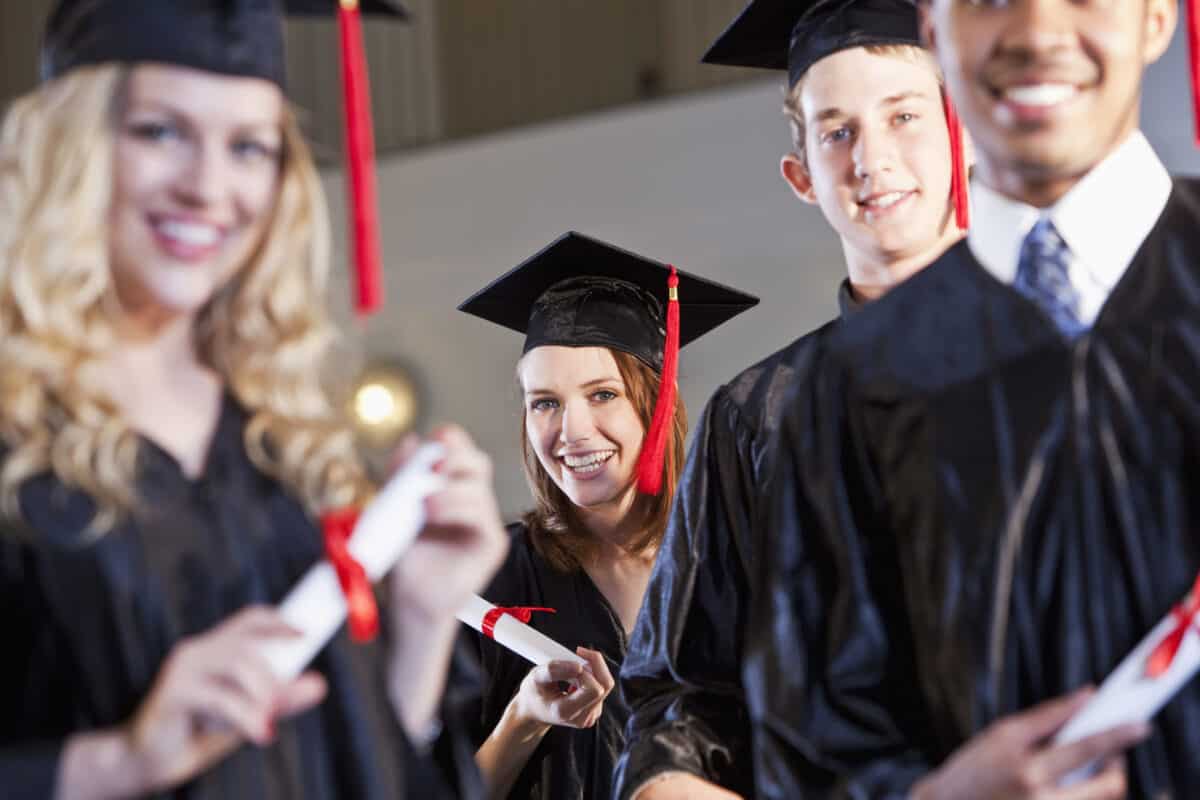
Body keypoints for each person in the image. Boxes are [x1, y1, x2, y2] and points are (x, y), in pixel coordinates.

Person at [0, 1, 509, 798]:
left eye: (248, 147)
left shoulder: (288, 444)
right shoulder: (15, 432)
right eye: (160, 132)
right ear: (73, 149)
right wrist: (118, 762)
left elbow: (363, 771)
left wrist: (420, 620)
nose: (209, 187)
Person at [749, 0, 1194, 796]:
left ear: (1157, 18)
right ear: (935, 30)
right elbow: (808, 739)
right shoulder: (853, 383)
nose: (1036, 31)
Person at [614, 1, 969, 797]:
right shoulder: (756, 415)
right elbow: (682, 700)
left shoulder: (1076, 357)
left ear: (966, 131)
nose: (872, 160)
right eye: (837, 131)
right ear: (801, 174)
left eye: (905, 115)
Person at [456, 232, 756, 800]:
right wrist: (525, 715)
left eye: (602, 394)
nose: (571, 432)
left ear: (655, 401)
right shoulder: (488, 579)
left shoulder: (738, 565)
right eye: (544, 403)